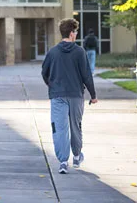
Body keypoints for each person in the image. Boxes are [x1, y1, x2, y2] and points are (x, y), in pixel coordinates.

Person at [42, 18, 98, 174]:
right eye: (76, 31)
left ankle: (62, 161)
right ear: (72, 33)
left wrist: (52, 86)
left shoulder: (52, 52)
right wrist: (93, 95)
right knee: (75, 126)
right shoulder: (79, 52)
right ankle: (77, 155)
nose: (76, 34)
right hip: (75, 95)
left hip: (57, 95)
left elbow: (44, 73)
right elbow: (87, 75)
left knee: (59, 128)